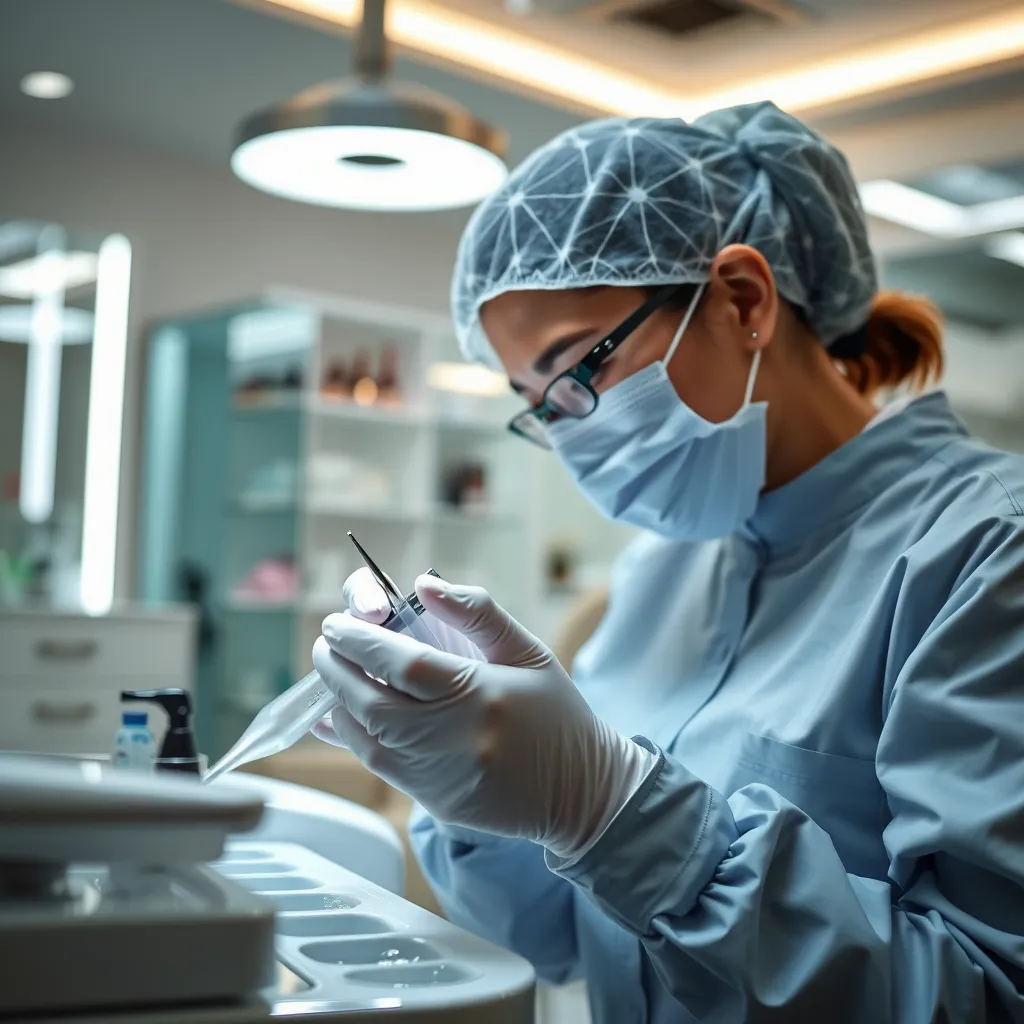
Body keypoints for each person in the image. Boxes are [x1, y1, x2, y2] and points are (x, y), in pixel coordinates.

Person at [311, 102, 1024, 1022]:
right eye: (538, 404)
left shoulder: (986, 553)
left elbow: (986, 996)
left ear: (743, 300)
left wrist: (613, 806)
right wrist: (471, 784)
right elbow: (557, 940)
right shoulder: (664, 571)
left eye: (580, 368)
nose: (571, 433)